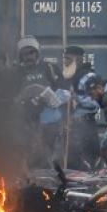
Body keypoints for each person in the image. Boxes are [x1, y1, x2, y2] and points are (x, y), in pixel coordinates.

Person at [13, 36, 70, 165]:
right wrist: (24, 102)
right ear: (20, 56)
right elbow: (12, 98)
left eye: (32, 52)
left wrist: (51, 100)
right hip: (26, 126)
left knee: (49, 161)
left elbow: (65, 91)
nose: (29, 57)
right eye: (25, 54)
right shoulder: (16, 72)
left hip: (50, 125)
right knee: (29, 161)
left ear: (37, 53)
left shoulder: (49, 68)